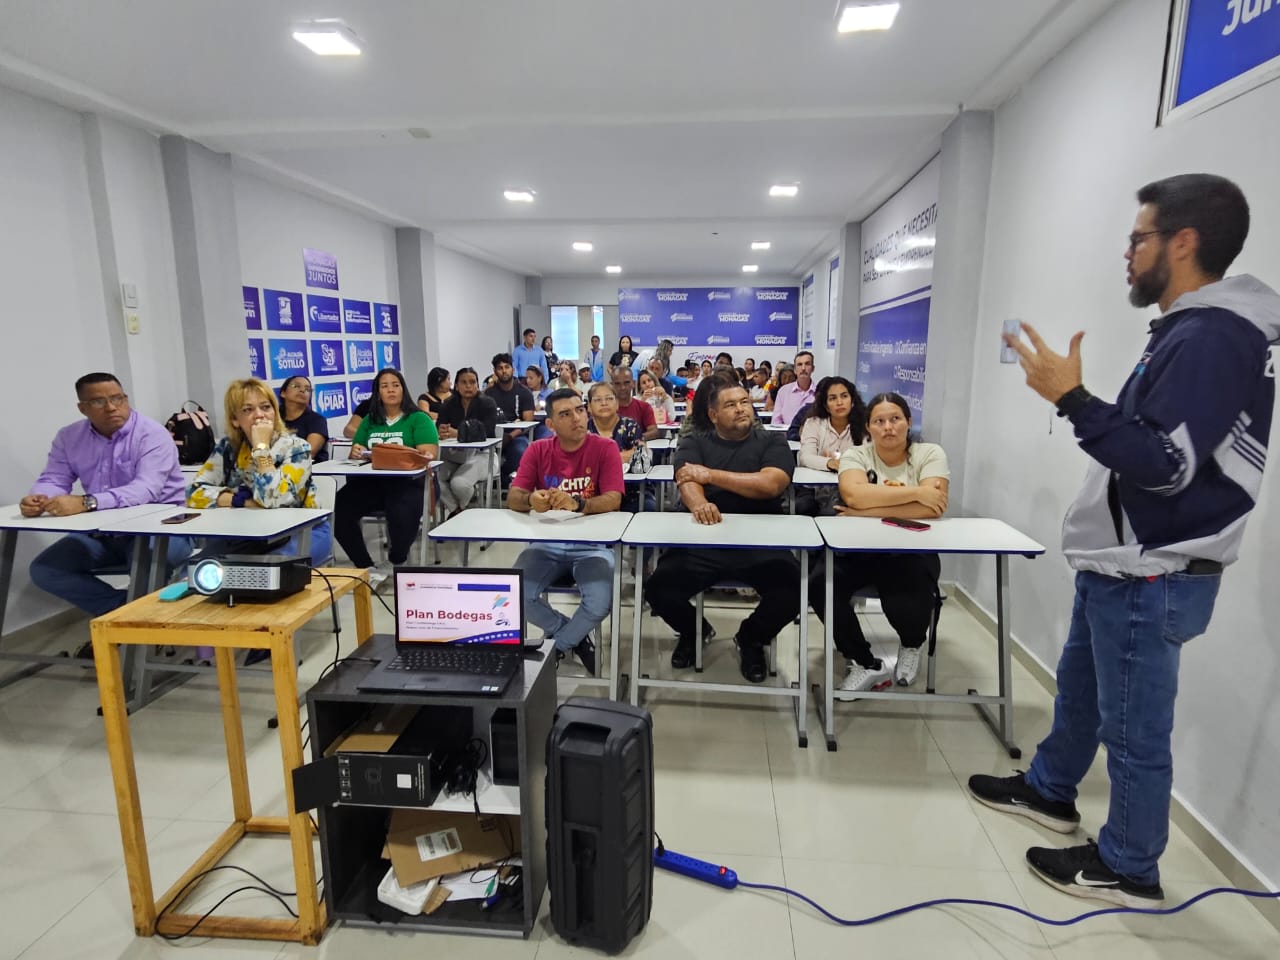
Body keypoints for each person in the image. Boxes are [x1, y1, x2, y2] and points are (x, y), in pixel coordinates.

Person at [968, 174, 1280, 908]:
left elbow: (1165, 465)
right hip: (1120, 562)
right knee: (1079, 691)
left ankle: (1130, 866)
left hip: (1154, 568)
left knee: (1135, 729)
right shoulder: (1189, 330)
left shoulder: (1213, 338)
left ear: (1183, 242)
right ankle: (1051, 789)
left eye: (1138, 238)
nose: (1127, 252)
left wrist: (1072, 399)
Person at [25, 373, 190, 658]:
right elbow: (54, 478)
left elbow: (145, 490)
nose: (112, 407)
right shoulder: (69, 437)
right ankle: (127, 617)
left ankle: (132, 640)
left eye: (117, 399)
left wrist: (87, 502)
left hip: (162, 531)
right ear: (83, 408)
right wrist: (40, 497)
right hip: (104, 533)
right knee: (46, 570)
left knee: (146, 561)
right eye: (99, 402)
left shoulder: (152, 434)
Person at [645, 378, 798, 683]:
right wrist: (700, 504)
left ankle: (751, 638)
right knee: (659, 589)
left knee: (793, 591)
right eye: (731, 405)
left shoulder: (772, 441)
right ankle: (694, 631)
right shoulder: (695, 441)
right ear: (713, 415)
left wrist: (710, 475)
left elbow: (771, 484)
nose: (741, 409)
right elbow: (687, 480)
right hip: (705, 537)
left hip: (761, 540)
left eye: (744, 402)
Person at [809, 391, 948, 692]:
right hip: (859, 550)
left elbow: (933, 508)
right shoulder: (856, 455)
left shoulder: (929, 454)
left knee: (906, 598)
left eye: (895, 419)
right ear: (868, 427)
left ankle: (911, 644)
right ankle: (864, 662)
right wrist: (917, 493)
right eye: (879, 421)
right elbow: (854, 495)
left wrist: (865, 511)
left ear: (908, 421)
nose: (888, 427)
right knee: (820, 584)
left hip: (911, 551)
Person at [188, 377, 331, 663]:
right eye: (248, 410)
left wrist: (262, 449)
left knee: (265, 576)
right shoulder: (227, 448)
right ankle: (211, 639)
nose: (259, 415)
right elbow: (194, 493)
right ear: (235, 419)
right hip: (245, 535)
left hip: (303, 534)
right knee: (195, 571)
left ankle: (265, 638)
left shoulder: (296, 447)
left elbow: (274, 499)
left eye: (266, 407)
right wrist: (240, 500)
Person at [509, 388, 624, 675]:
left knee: (599, 604)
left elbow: (614, 499)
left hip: (593, 544)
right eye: (565, 414)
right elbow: (514, 497)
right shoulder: (538, 450)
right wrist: (531, 500)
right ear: (550, 424)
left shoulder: (605, 448)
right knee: (515, 595)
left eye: (580, 410)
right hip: (545, 542)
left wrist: (579, 504)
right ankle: (575, 637)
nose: (577, 418)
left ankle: (556, 647)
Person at [332, 368, 438, 584]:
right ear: (377, 392)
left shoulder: (418, 418)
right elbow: (357, 449)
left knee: (400, 511)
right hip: (374, 483)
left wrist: (403, 454)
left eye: (395, 385)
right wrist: (356, 452)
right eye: (385, 386)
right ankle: (364, 565)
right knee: (339, 508)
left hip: (410, 482)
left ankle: (396, 559)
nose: (391, 390)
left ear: (403, 389)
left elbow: (428, 454)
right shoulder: (370, 420)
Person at [436, 367, 500, 516]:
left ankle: (464, 510)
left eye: (472, 382)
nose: (468, 386)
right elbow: (440, 426)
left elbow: (486, 431)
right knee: (432, 478)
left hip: (484, 455)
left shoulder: (487, 403)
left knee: (459, 483)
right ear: (456, 386)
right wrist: (442, 431)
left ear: (477, 384)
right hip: (454, 455)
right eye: (463, 382)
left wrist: (458, 433)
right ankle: (456, 510)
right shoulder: (448, 404)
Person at [586, 382, 651, 512]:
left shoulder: (630, 425)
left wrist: (601, 461)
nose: (604, 403)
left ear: (617, 404)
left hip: (631, 491)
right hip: (591, 493)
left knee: (649, 508)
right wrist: (621, 457)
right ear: (589, 407)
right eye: (598, 400)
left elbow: (640, 453)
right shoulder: (583, 429)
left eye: (609, 399)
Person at [485, 353, 536, 480]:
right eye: (500, 368)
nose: (504, 371)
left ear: (513, 369)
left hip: (517, 436)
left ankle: (504, 478)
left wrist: (510, 436)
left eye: (507, 367)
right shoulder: (488, 394)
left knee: (520, 450)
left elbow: (528, 423)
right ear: (495, 371)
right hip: (493, 436)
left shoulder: (524, 392)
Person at [278, 375, 329, 463]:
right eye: (296, 386)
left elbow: (307, 453)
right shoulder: (273, 418)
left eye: (307, 389)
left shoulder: (317, 420)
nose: (302, 390)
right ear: (283, 393)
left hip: (309, 468)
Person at [609, 365, 658, 440]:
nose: (622, 387)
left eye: (626, 383)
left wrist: (633, 439)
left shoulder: (644, 407)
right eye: (617, 384)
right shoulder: (605, 409)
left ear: (633, 384)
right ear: (612, 385)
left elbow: (654, 432)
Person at [771, 350, 816, 428]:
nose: (803, 368)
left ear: (813, 368)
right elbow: (776, 421)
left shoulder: (820, 392)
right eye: (799, 364)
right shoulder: (783, 391)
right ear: (795, 370)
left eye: (807, 364)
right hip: (786, 434)